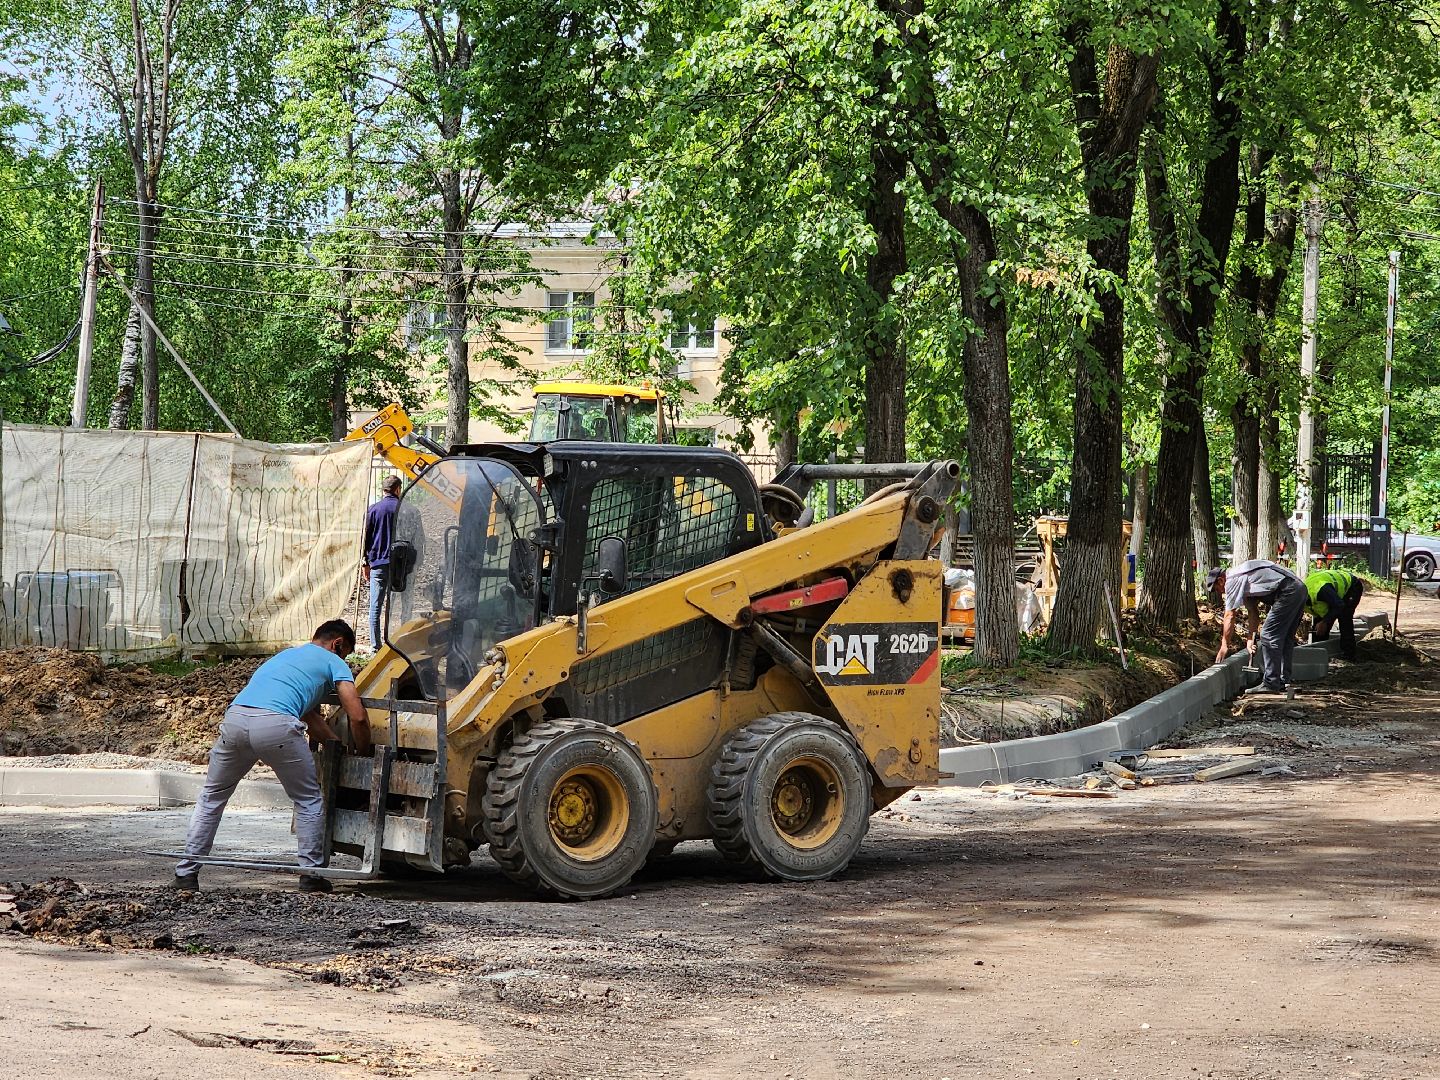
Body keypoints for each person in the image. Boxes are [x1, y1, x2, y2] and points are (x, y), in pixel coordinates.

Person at [173, 620, 371, 893]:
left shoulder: (286, 656)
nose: (344, 658)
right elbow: (358, 716)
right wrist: (363, 754)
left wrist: (334, 743)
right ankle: (311, 875)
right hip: (275, 726)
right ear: (338, 644)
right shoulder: (333, 661)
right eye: (345, 652)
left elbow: (305, 711)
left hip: (236, 719)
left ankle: (185, 874)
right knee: (308, 800)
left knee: (212, 797)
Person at [1208, 560, 1307, 694]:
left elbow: (1229, 616)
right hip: (1299, 588)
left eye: (1217, 589)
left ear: (1220, 581)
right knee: (1285, 637)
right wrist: (1250, 639)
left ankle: (1271, 683)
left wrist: (1224, 645)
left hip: (1288, 591)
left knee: (1268, 635)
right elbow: (1253, 612)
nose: (1220, 593)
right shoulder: (1244, 580)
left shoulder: (1232, 580)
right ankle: (1283, 681)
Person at [363, 475, 403, 650]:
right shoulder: (404, 509)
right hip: (400, 566)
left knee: (375, 607)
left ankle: (375, 646)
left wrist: (365, 563)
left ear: (384, 490)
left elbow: (365, 538)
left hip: (378, 563)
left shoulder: (373, 510)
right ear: (398, 489)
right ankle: (397, 644)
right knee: (397, 606)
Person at [1305, 566, 1365, 660]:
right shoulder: (1300, 599)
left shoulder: (1321, 590)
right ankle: (1318, 653)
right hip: (1330, 593)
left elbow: (1339, 605)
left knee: (1344, 617)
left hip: (1351, 587)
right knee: (1319, 625)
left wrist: (1325, 621)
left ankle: (1348, 654)